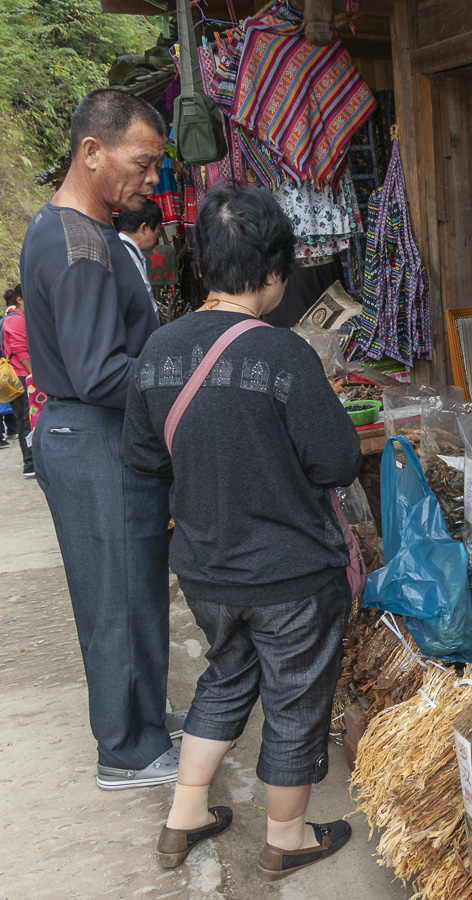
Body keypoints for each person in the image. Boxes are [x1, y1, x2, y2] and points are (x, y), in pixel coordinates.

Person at [123, 183, 362, 880]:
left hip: (205, 568)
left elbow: (142, 458)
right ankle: (285, 836)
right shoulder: (283, 354)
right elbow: (339, 460)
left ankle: (184, 818)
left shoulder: (159, 354)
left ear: (203, 263)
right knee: (293, 699)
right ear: (272, 271)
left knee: (226, 677)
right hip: (289, 574)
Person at [19, 88, 181, 789]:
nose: (152, 180)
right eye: (143, 163)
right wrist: (182, 383)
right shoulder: (82, 242)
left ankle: (143, 719)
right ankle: (126, 749)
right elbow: (100, 372)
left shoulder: (68, 229)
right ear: (92, 152)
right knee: (114, 595)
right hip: (94, 437)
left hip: (95, 438)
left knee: (134, 585)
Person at [2, 284, 35, 474]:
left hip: (19, 375)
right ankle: (30, 463)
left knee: (24, 418)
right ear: (19, 299)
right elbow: (20, 349)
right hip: (21, 376)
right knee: (26, 420)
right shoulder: (15, 320)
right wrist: (33, 374)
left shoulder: (12, 318)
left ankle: (30, 462)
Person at [115, 199, 163, 309]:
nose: (158, 235)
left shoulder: (122, 250)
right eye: (158, 228)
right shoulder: (127, 258)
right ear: (144, 228)